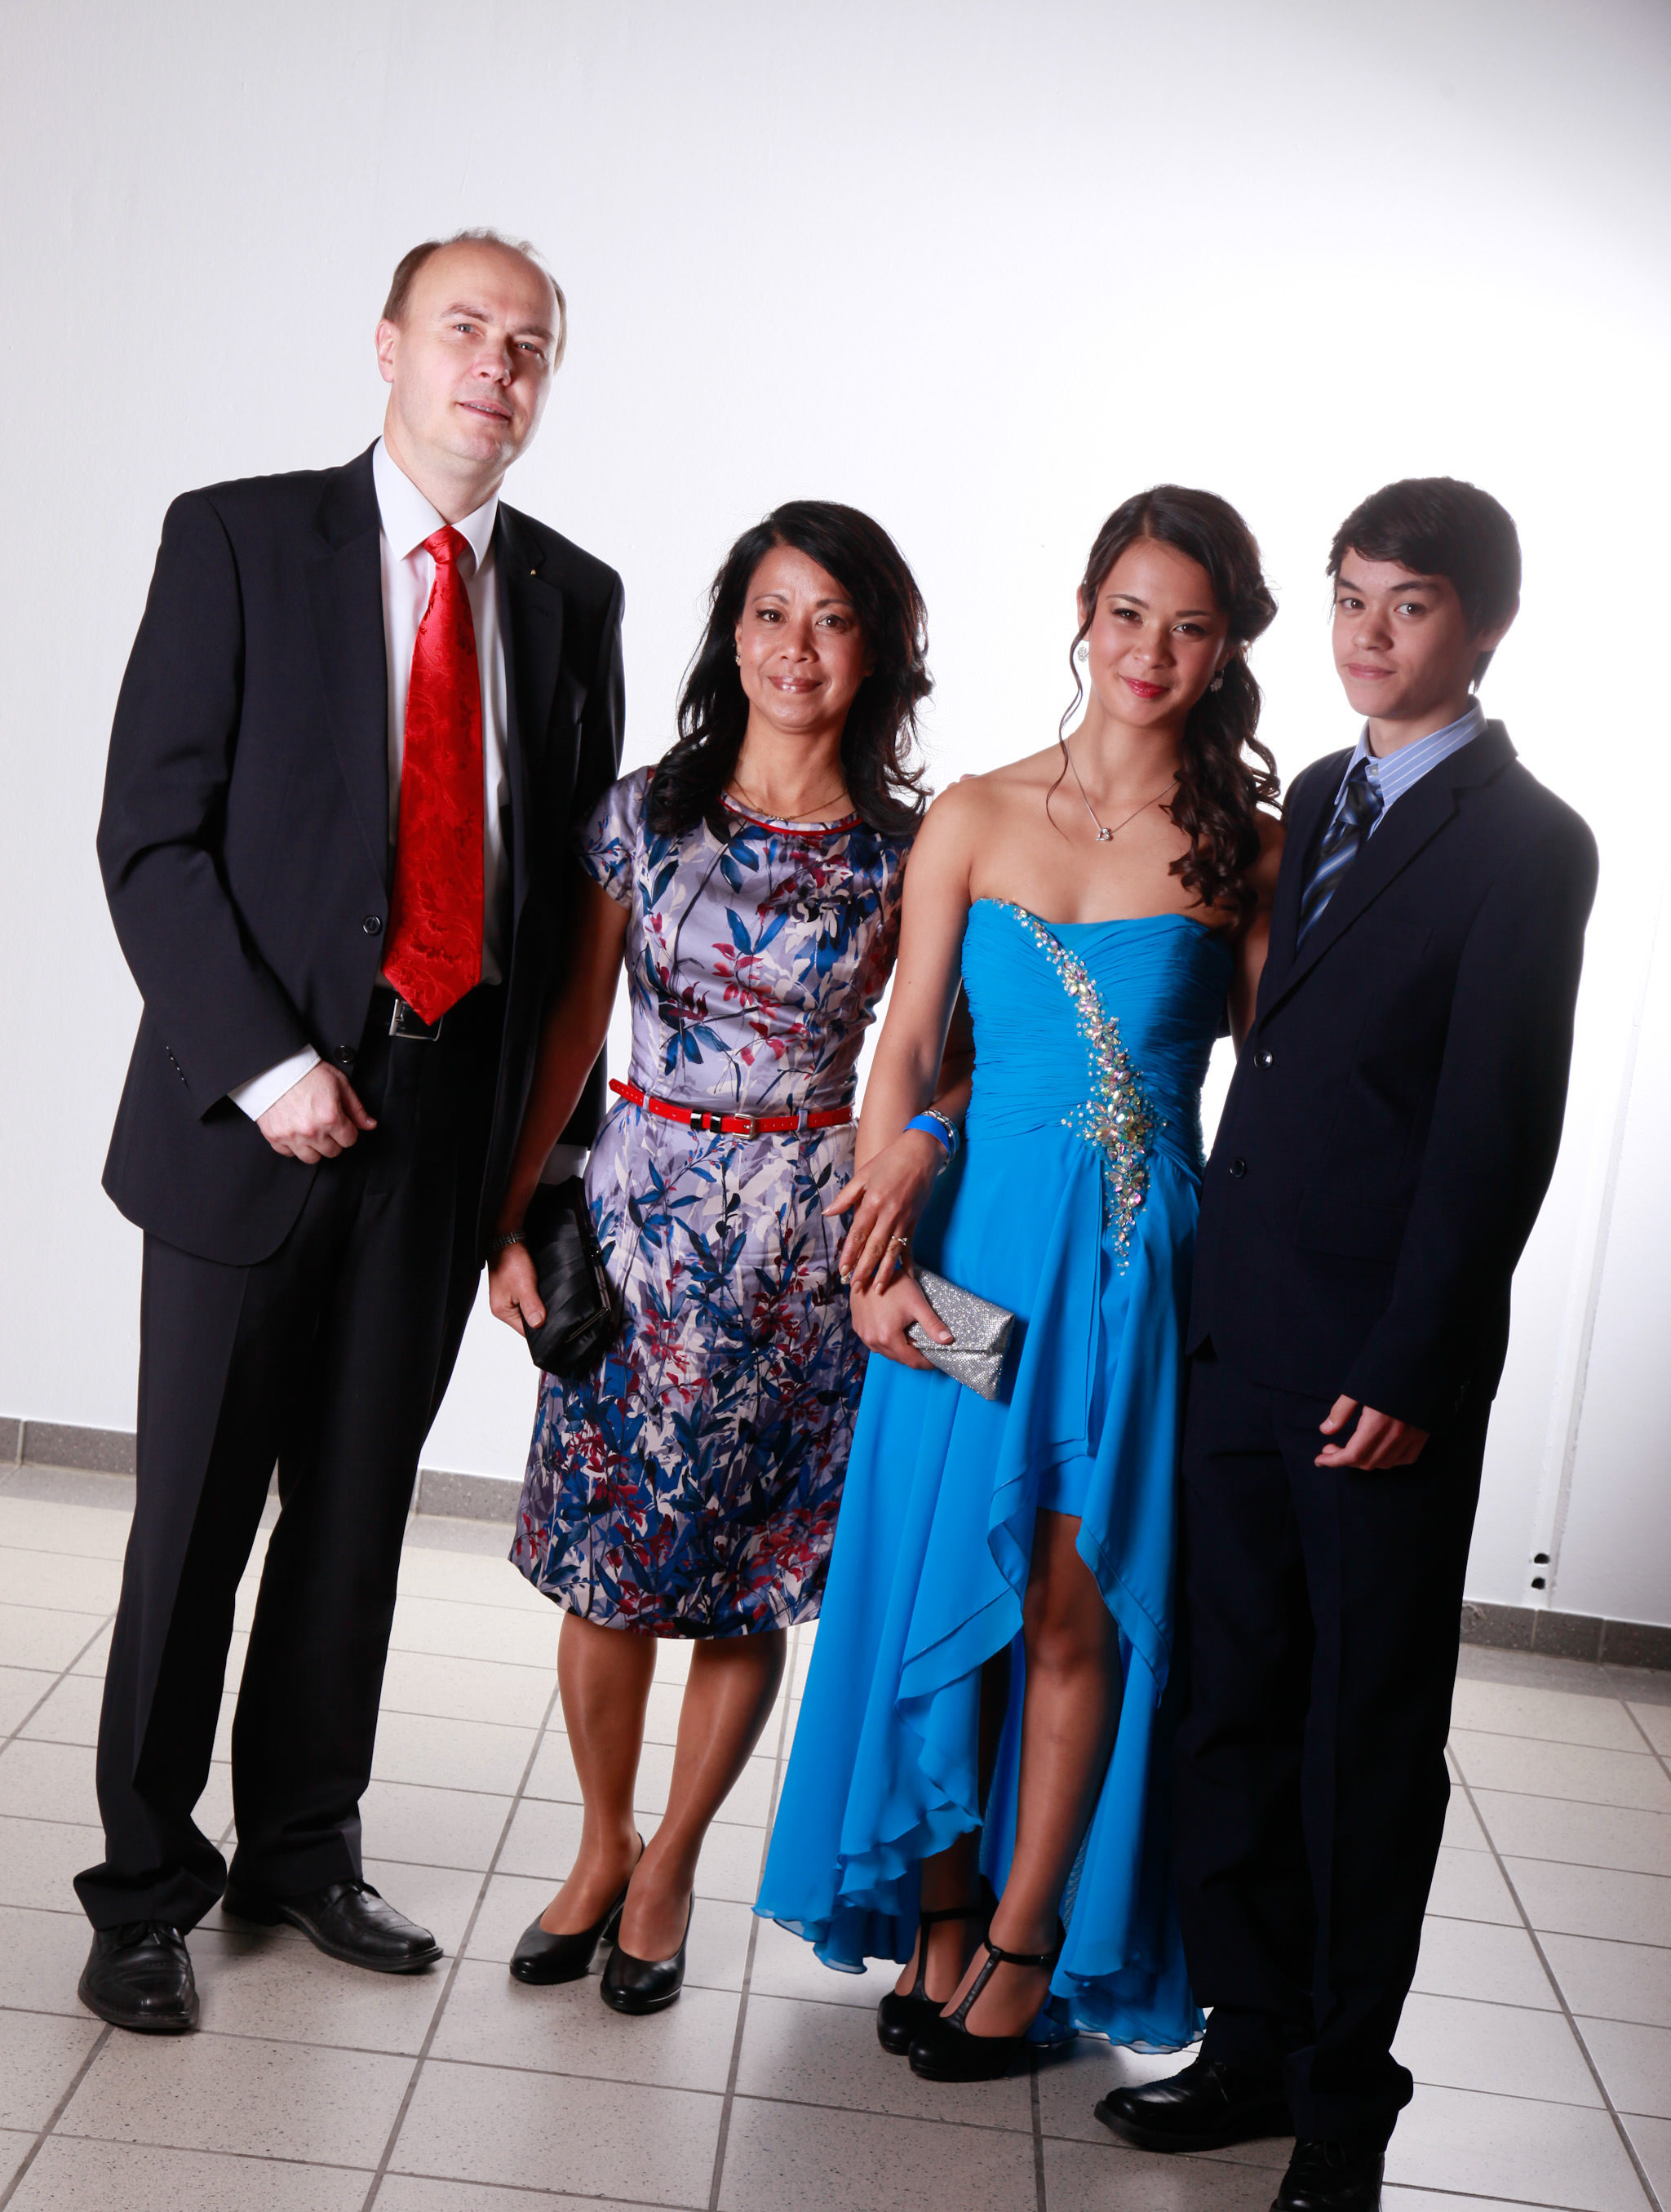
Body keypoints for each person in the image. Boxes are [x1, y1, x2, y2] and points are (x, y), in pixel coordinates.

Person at [78, 230, 624, 2032]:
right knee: (194, 1523)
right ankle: (145, 1887)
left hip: (448, 1129)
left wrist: (537, 1175)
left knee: (357, 1514)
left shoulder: (571, 597)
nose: (496, 366)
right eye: (465, 328)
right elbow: (150, 838)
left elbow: (566, 918)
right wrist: (267, 1066)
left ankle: (304, 1847)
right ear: (387, 347)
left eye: (528, 344)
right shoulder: (238, 541)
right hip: (254, 1120)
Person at [1098, 478, 1598, 2212]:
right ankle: (1246, 2041)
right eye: (1350, 599)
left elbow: (1495, 1132)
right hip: (1241, 1334)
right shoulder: (1314, 796)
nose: (1369, 636)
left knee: (1361, 1741)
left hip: (1380, 1369)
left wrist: (1414, 1361)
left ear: (1485, 628)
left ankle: (1339, 2111)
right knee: (1233, 1697)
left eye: (1411, 606)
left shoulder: (1530, 843)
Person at [756, 487, 1283, 2079]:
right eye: (1128, 613)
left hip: (1130, 1275)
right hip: (971, 1263)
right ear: (1083, 610)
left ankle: (1026, 1936)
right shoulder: (977, 814)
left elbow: (1284, 1099)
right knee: (941, 1573)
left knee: (1069, 1601)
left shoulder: (1247, 851)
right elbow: (910, 1044)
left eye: (1189, 627)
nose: (1150, 651)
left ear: (1225, 650)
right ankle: (938, 1913)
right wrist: (876, 1250)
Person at [487, 503, 966, 2015]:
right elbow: (574, 1026)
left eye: (832, 619)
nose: (795, 648)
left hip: (803, 1249)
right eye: (771, 613)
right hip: (638, 1226)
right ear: (732, 633)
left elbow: (951, 1054)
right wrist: (511, 1216)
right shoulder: (643, 813)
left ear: (876, 651)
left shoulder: (910, 853)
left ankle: (673, 1865)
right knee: (606, 1566)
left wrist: (919, 1140)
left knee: (746, 1581)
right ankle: (600, 1844)